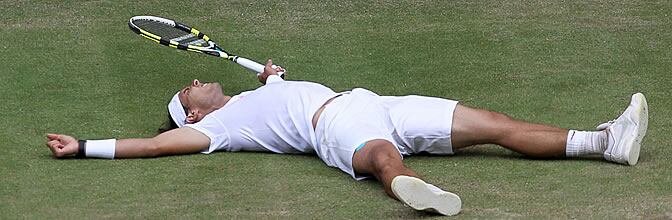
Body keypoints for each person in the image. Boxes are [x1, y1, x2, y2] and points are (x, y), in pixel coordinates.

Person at [46, 59, 649, 216]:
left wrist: (271, 80)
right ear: (192, 116)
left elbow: (280, 94)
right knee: (382, 156)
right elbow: (153, 146)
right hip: (334, 127)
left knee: (494, 126)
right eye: (190, 90)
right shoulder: (217, 129)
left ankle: (602, 143)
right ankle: (413, 188)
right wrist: (86, 146)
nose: (198, 80)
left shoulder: (253, 96)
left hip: (371, 101)